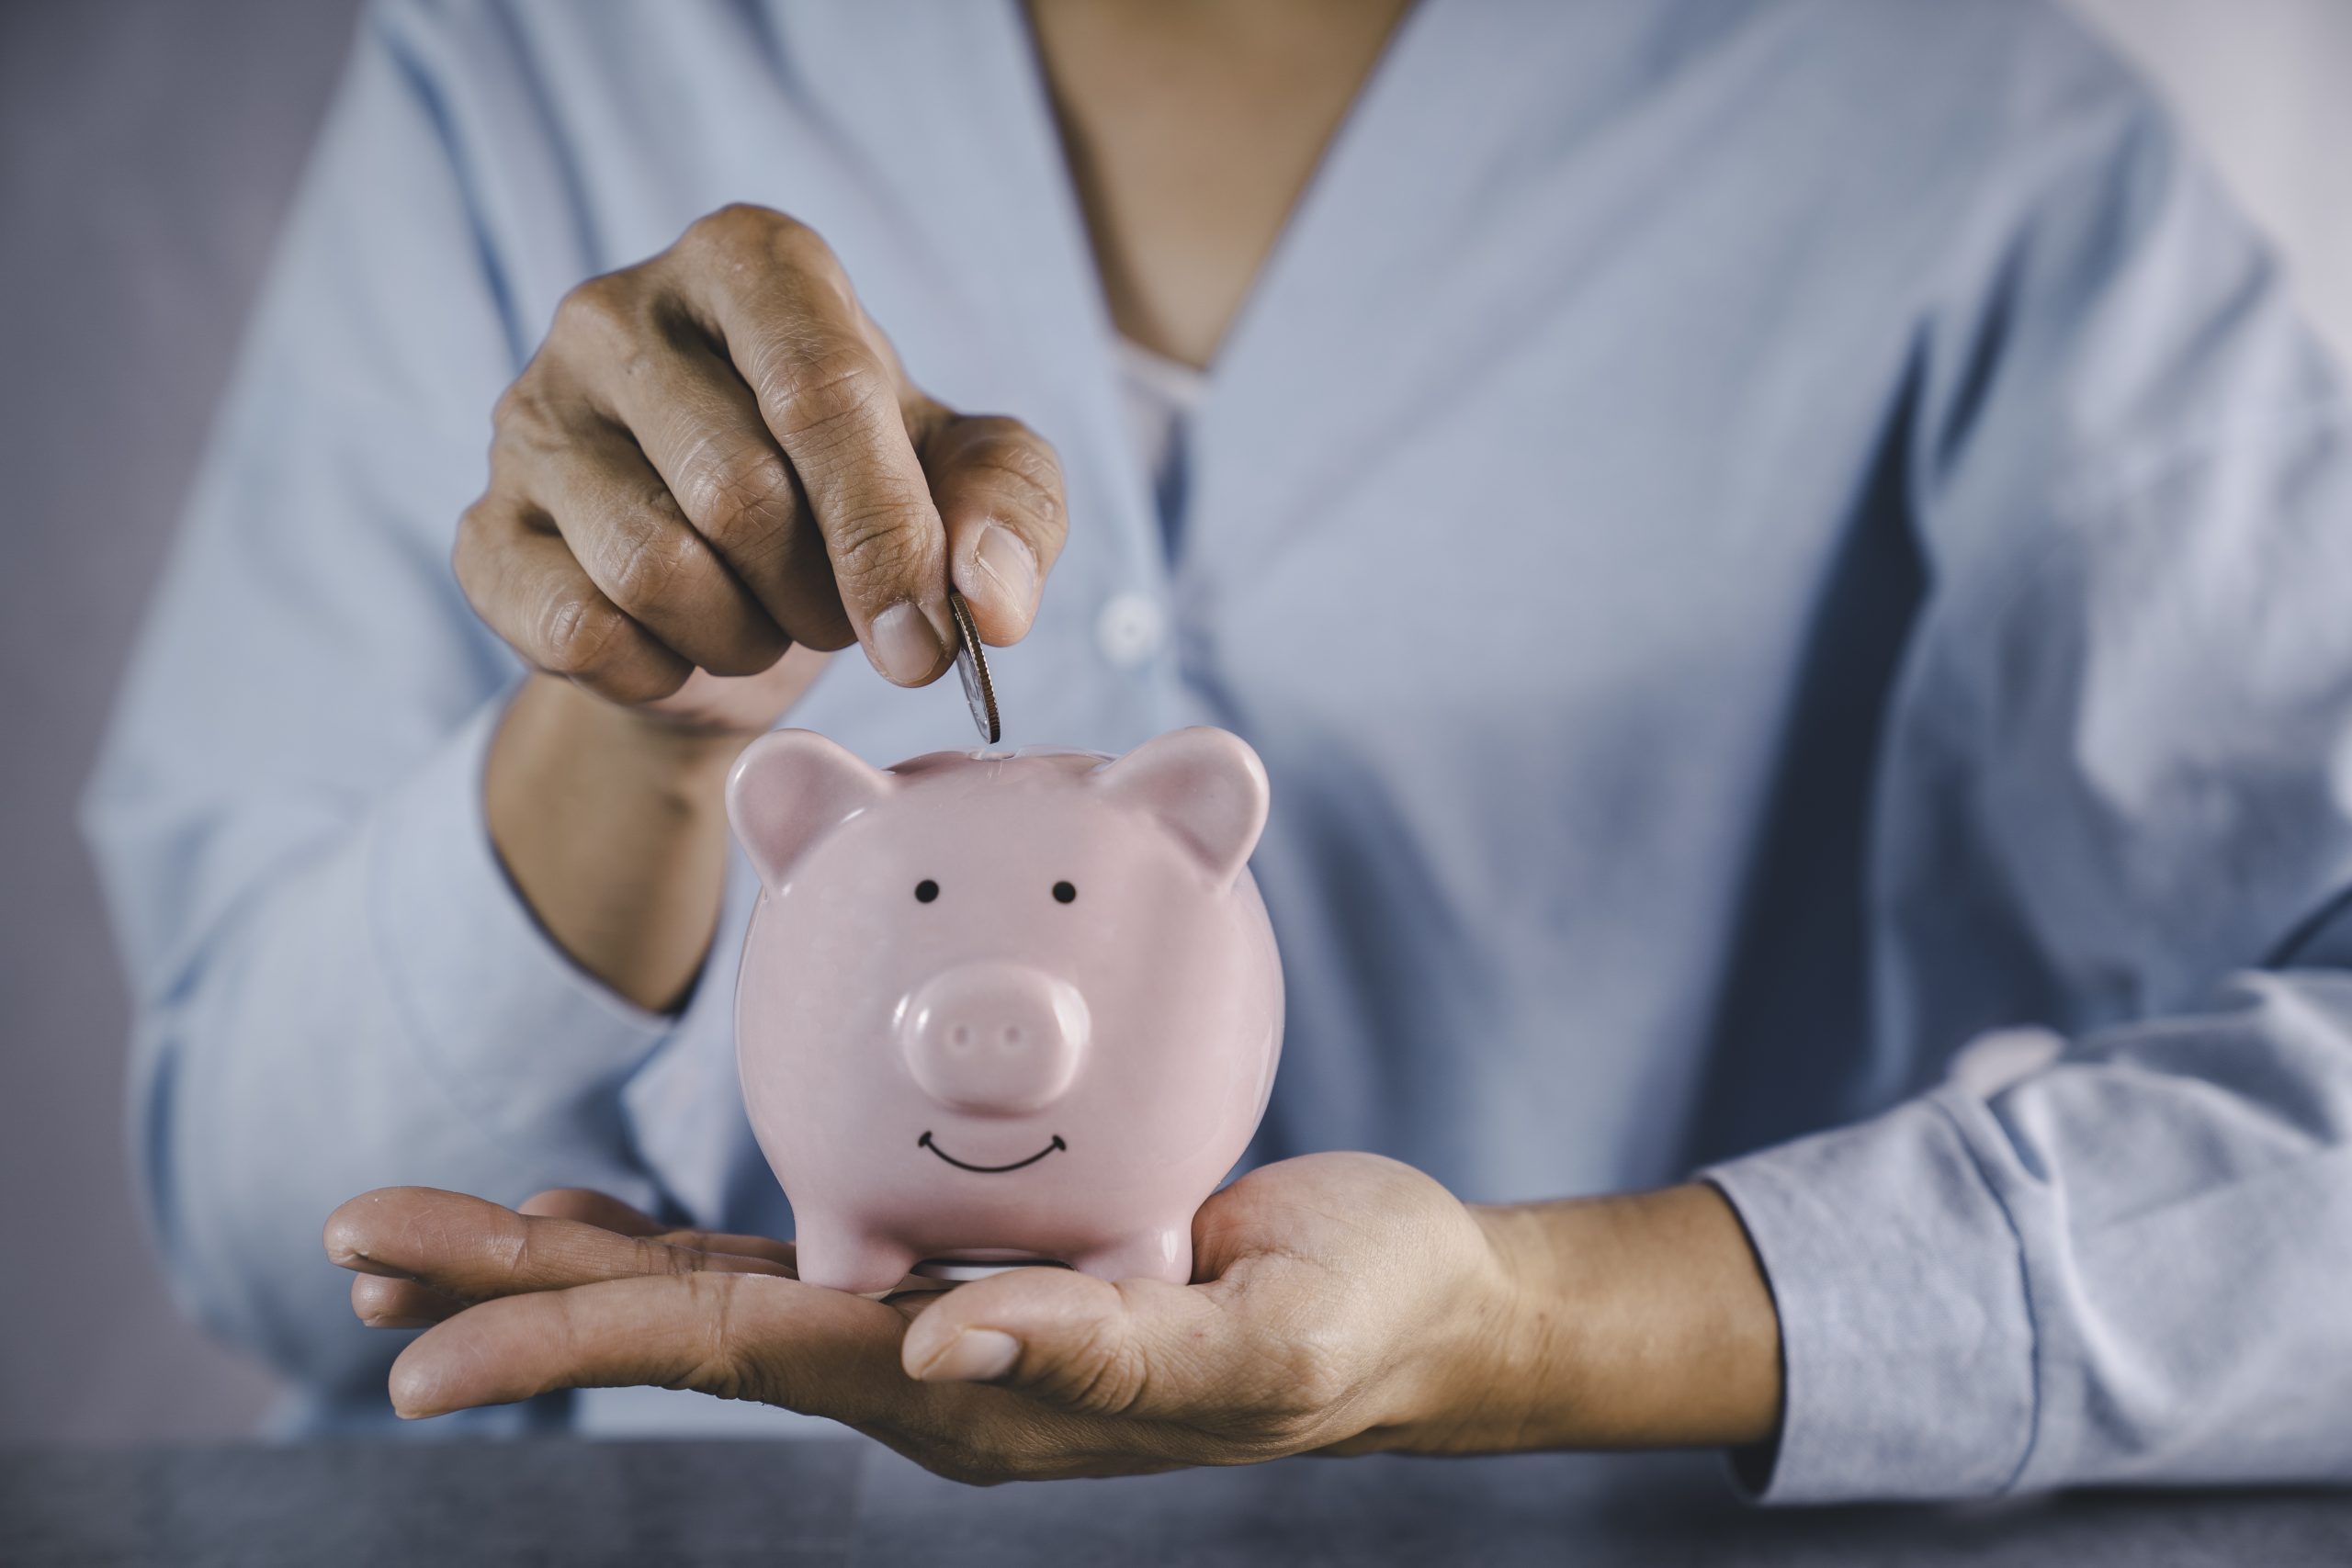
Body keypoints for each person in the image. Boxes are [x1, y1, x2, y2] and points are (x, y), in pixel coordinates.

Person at [83, 0, 2352, 1501]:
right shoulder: (538, 58)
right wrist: (634, 735)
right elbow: (277, 1237)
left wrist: (1537, 1315)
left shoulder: (1948, 126)